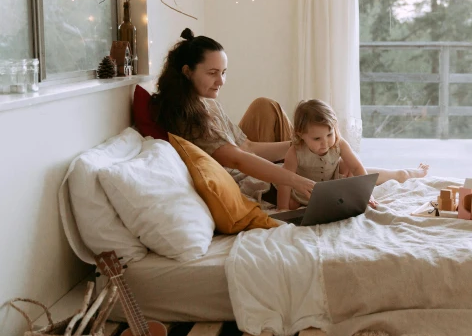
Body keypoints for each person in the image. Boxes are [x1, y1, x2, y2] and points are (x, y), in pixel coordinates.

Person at [152, 28, 428, 206]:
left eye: (224, 72)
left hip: (255, 161)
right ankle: (400, 174)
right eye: (212, 73)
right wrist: (293, 178)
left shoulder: (206, 102)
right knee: (333, 172)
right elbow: (236, 157)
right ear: (187, 72)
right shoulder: (187, 116)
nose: (221, 81)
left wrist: (307, 142)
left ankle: (398, 173)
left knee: (320, 148)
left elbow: (246, 146)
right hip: (252, 181)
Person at [277, 99, 377, 210]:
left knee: (347, 164)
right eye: (317, 138)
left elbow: (357, 167)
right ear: (300, 134)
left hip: (331, 186)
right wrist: (282, 208)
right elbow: (284, 182)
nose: (325, 143)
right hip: (304, 192)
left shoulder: (340, 144)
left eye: (329, 134)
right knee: (292, 205)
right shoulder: (295, 152)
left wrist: (368, 194)